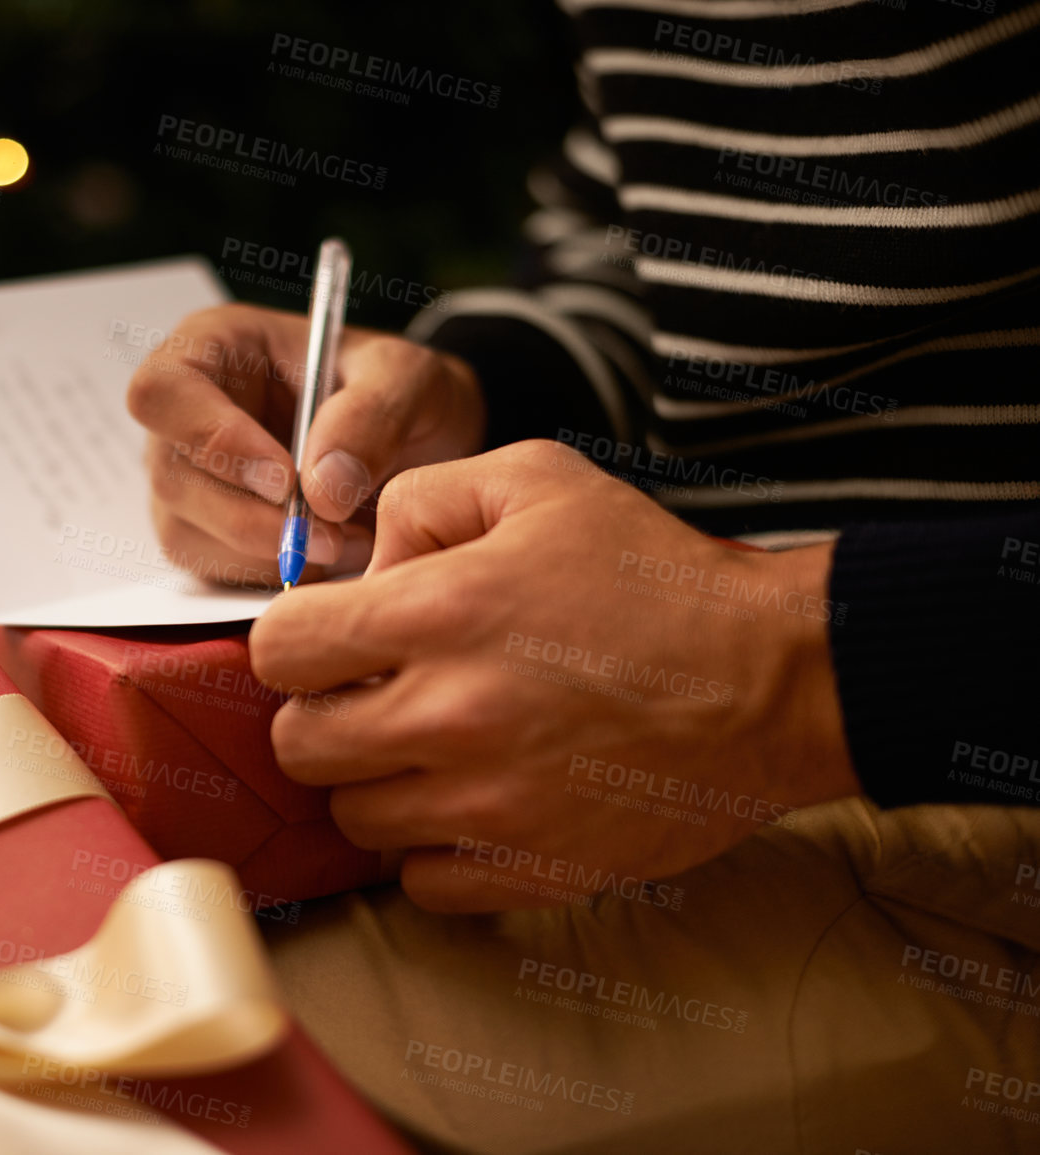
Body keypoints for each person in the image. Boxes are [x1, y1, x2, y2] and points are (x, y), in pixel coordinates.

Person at [127, 0, 1039, 1149]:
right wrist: (478, 401)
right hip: (729, 722)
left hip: (953, 784)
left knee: (111, 1065)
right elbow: (639, 235)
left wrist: (794, 666)